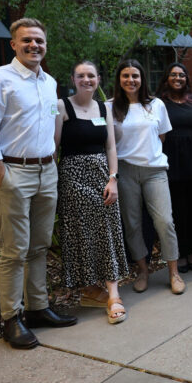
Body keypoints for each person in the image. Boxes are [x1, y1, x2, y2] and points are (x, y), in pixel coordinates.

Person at [0, 18, 76, 349]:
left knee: (39, 245)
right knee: (14, 250)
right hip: (13, 173)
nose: (34, 46)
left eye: (40, 41)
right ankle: (11, 318)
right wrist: (0, 172)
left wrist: (52, 162)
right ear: (14, 44)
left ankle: (38, 308)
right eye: (27, 40)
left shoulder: (49, 82)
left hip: (47, 172)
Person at [55, 61, 128, 324]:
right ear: (73, 79)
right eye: (81, 76)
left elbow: (111, 147)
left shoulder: (103, 108)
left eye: (91, 76)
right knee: (81, 234)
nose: (86, 80)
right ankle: (89, 290)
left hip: (102, 178)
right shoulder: (61, 105)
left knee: (107, 231)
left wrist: (113, 179)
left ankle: (113, 293)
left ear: (98, 79)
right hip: (72, 179)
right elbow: (54, 148)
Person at [110, 59, 186, 294]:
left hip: (155, 171)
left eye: (135, 76)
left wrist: (148, 154)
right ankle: (142, 270)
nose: (130, 80)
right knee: (132, 224)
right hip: (125, 171)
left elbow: (161, 137)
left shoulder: (156, 105)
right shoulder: (109, 106)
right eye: (125, 76)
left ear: (142, 79)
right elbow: (109, 143)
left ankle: (173, 271)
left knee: (165, 221)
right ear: (119, 79)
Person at [157, 63, 192, 274]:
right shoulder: (159, 102)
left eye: (181, 75)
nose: (178, 78)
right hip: (173, 164)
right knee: (177, 211)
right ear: (167, 78)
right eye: (173, 75)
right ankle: (179, 253)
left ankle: (191, 251)